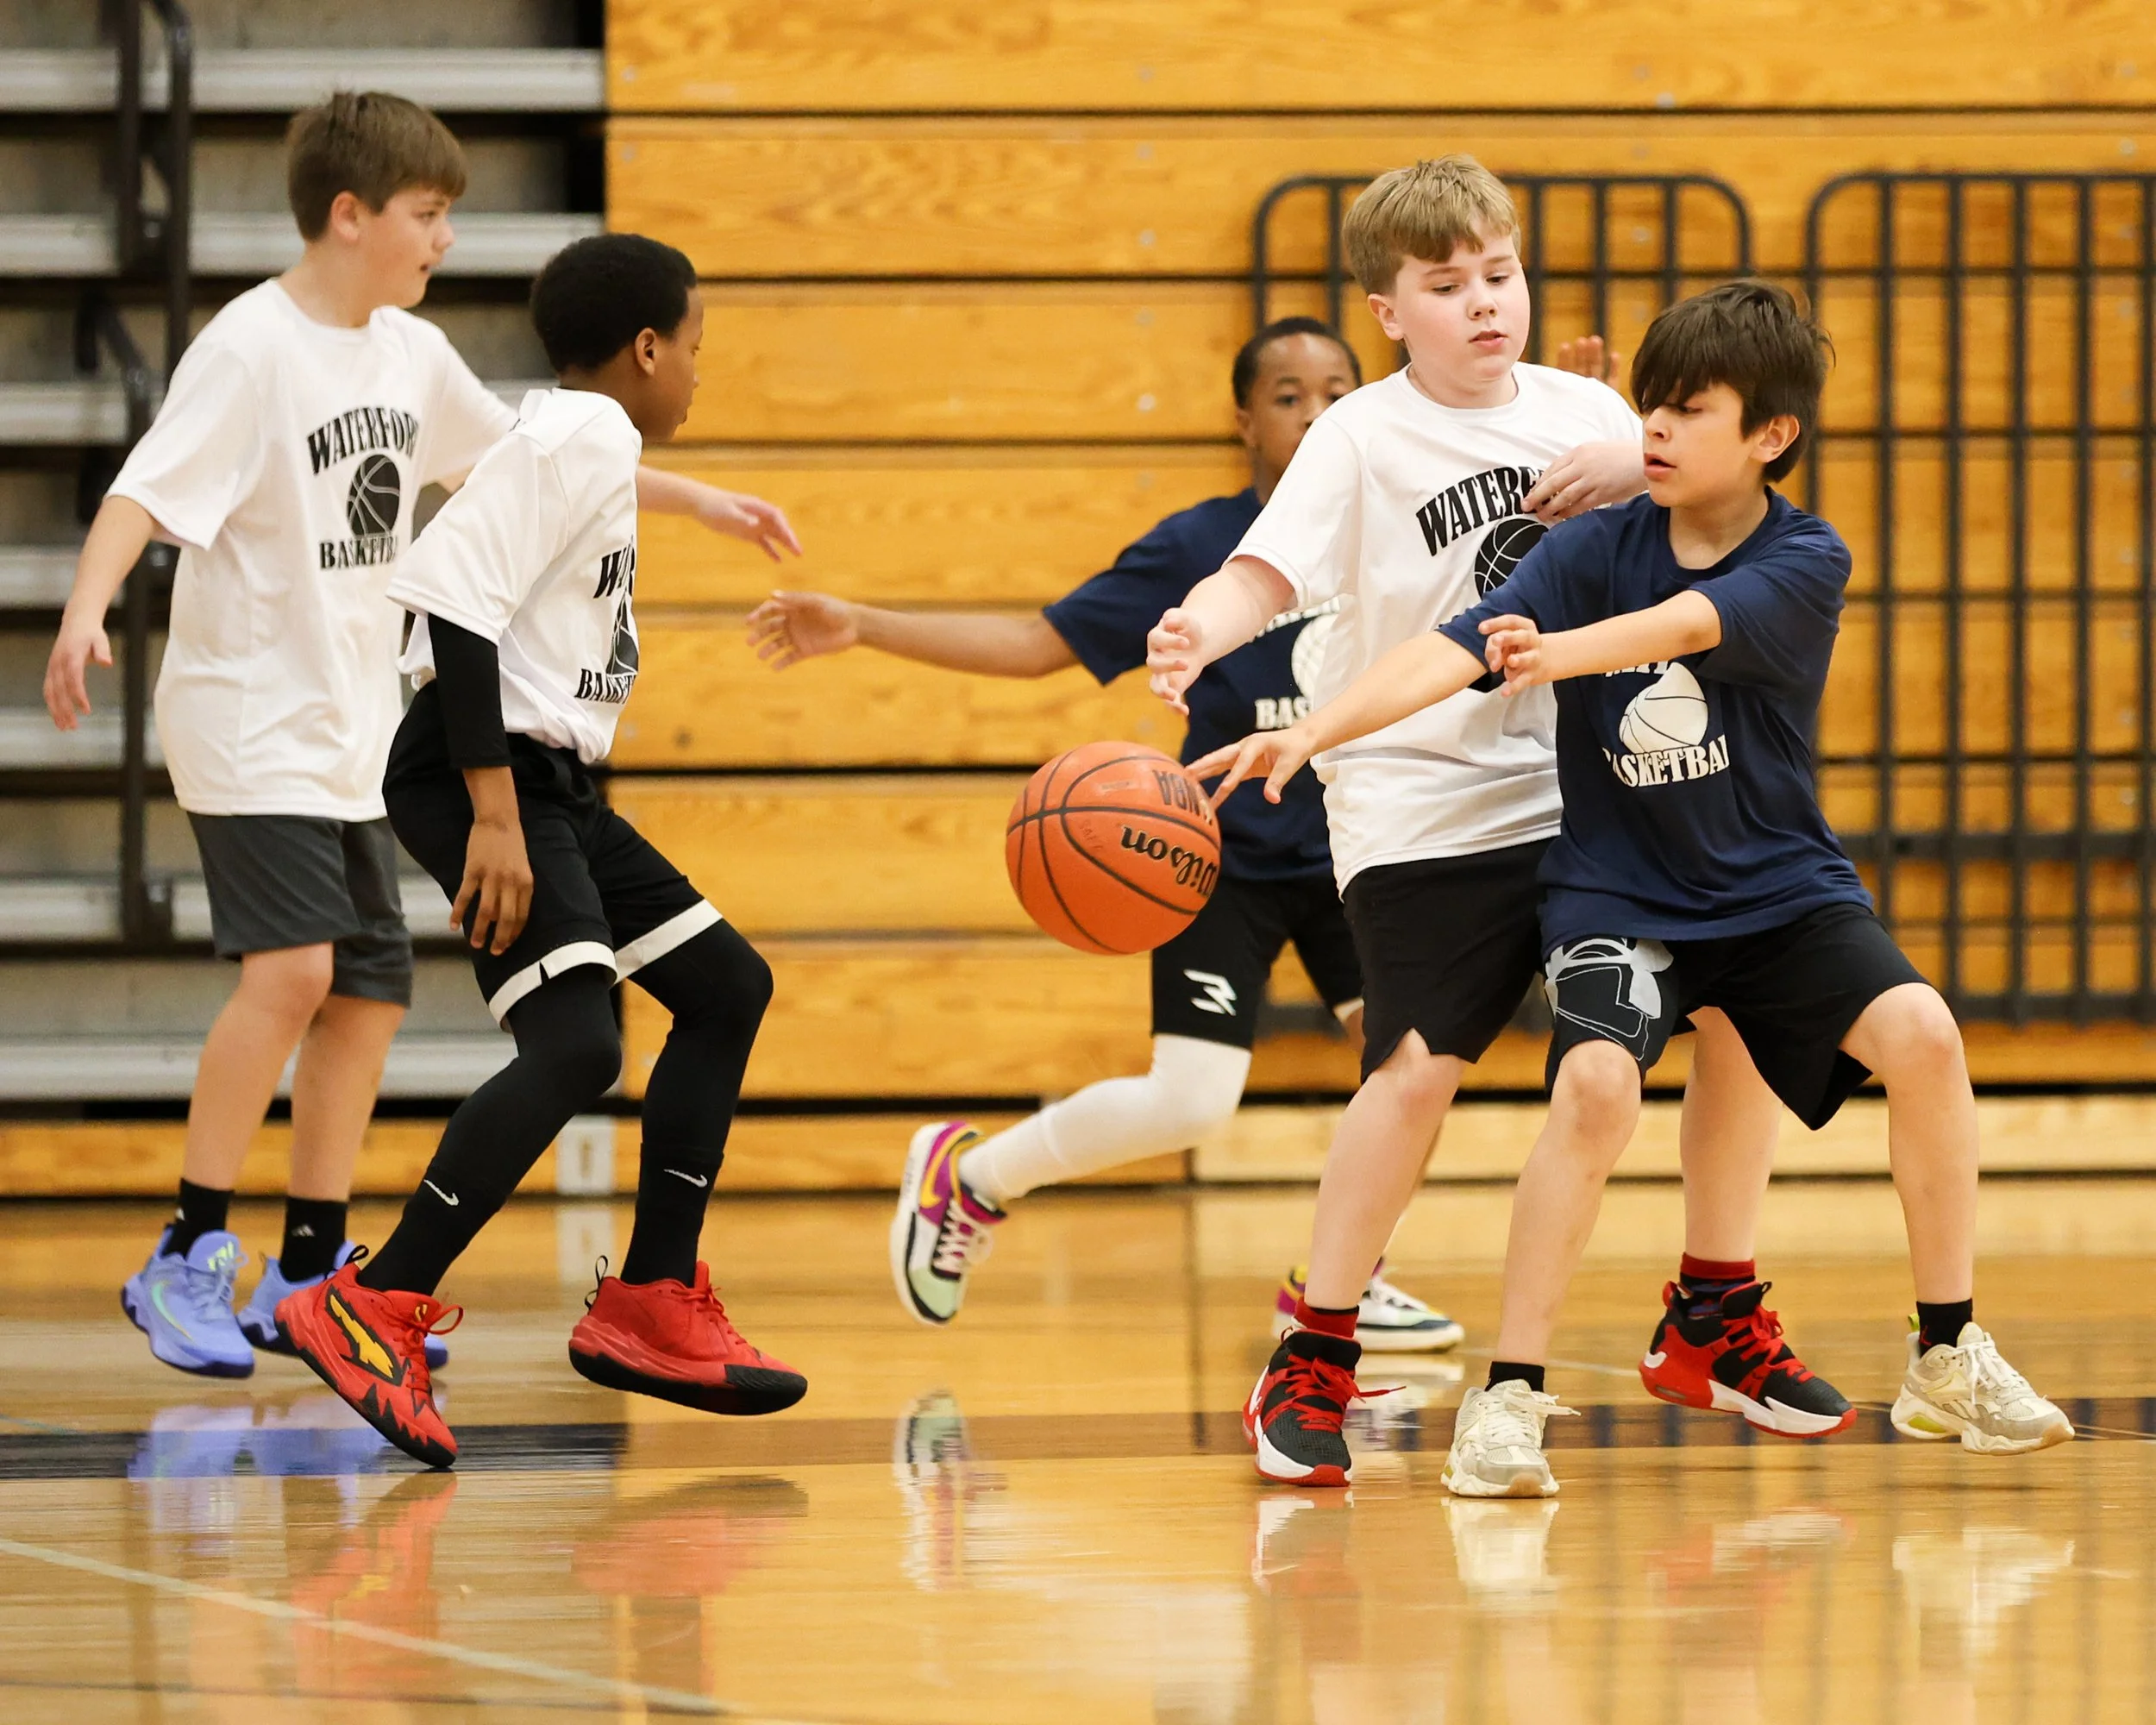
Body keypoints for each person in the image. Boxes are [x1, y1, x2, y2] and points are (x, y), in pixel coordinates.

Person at [1200, 279, 2072, 1497]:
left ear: (1770, 436)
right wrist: (1314, 732)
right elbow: (1446, 651)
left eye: (1689, 412)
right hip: (1620, 895)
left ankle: (1947, 1350)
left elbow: (1693, 620)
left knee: (1925, 1033)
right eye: (1649, 407)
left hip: (1777, 891)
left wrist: (1557, 653)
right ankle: (1510, 1396)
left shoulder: (1806, 554)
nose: (1654, 429)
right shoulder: (1593, 544)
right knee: (1599, 1088)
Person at [41, 94, 799, 1379]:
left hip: (357, 717)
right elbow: (144, 488)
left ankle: (317, 1262)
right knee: (293, 976)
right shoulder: (251, 349)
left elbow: (525, 460)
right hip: (251, 711)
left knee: (373, 995)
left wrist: (698, 499)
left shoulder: (410, 354)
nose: (445, 238)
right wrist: (81, 611)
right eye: (428, 214)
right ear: (351, 215)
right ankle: (186, 1248)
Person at [1148, 157, 1846, 1490]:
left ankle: (1714, 1308)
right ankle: (1316, 1345)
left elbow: (1706, 503)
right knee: (1413, 1071)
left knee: (1742, 1014)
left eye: (1499, 274)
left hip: (1605, 793)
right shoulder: (1359, 437)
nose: (1483, 304)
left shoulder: (1589, 408)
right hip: (1425, 797)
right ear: (1388, 311)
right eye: (1446, 285)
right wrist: (1204, 627)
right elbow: (1266, 571)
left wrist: (1614, 457)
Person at [745, 317, 1462, 1352]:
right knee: (1190, 1099)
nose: (1312, 414)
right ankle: (972, 1176)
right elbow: (1039, 642)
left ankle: (1342, 1278)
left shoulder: (1392, 528)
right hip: (1221, 858)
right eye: (1287, 394)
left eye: (1334, 391)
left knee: (1413, 1062)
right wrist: (864, 621)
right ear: (1243, 418)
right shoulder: (1194, 547)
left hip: (1355, 842)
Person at [278, 233, 805, 1469]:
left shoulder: (586, 446)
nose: (696, 378)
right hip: (487, 775)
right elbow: (451, 603)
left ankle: (652, 1300)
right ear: (645, 348)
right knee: (575, 1045)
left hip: (551, 779)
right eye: (695, 352)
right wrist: (499, 815)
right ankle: (375, 1300)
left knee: (726, 985)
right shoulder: (581, 435)